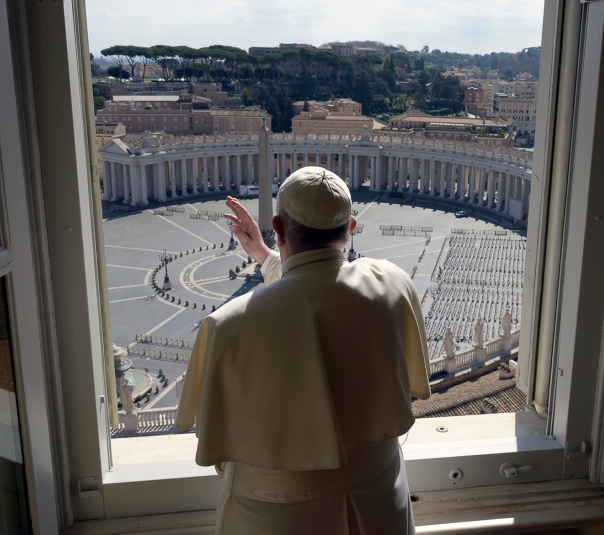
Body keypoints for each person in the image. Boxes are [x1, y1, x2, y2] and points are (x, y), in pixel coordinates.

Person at [175, 166, 431, 535]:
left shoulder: (226, 325)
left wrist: (269, 253)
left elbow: (301, 294)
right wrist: (265, 256)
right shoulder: (393, 283)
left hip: (274, 517)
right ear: (352, 227)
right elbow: (323, 285)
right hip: (379, 500)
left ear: (278, 228)